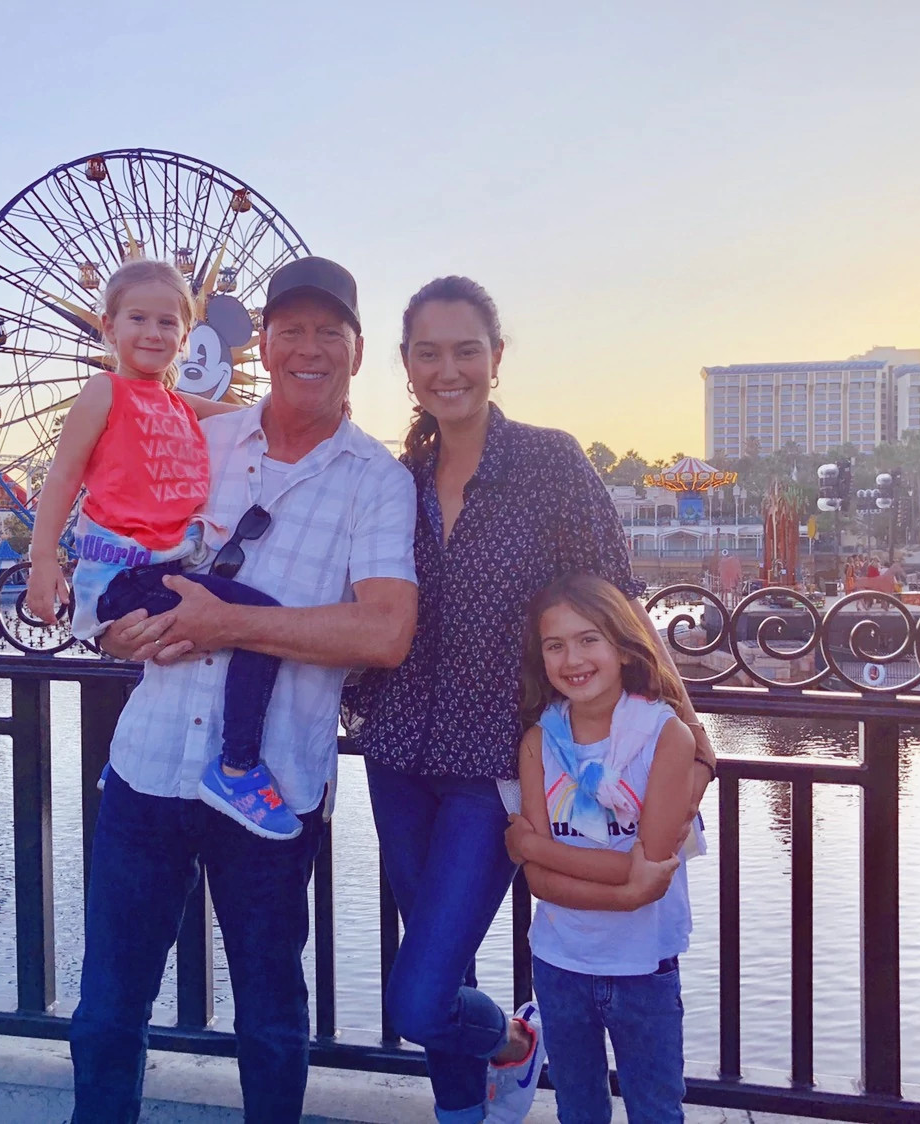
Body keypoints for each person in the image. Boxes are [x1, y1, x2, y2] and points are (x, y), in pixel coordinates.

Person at [344, 276, 717, 1124]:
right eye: (429, 353)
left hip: (498, 764)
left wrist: (687, 727)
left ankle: (514, 1044)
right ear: (406, 367)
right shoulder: (397, 479)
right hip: (398, 752)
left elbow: (617, 605)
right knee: (444, 973)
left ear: (496, 358)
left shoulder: (550, 463)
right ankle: (465, 1109)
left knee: (420, 993)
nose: (449, 370)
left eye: (466, 350)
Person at [69, 255, 418, 1124]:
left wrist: (234, 626)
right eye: (290, 330)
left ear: (358, 350)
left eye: (327, 332)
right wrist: (104, 628)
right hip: (148, 769)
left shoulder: (378, 482)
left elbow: (384, 632)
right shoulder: (196, 436)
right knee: (108, 1008)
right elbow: (105, 535)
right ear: (262, 342)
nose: (308, 348)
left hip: (271, 786)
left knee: (270, 1017)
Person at [23, 259, 300, 839]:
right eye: (138, 318)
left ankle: (131, 767)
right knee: (261, 624)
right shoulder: (104, 392)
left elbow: (240, 415)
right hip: (126, 575)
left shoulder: (175, 404)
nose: (153, 333)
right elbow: (63, 477)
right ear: (108, 326)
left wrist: (293, 418)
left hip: (162, 568)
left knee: (226, 634)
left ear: (186, 334)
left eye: (168, 322)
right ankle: (238, 766)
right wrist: (43, 560)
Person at [505, 573, 701, 1123]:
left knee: (656, 1111)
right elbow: (542, 885)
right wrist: (625, 881)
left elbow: (653, 871)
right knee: (578, 1111)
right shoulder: (538, 741)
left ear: (621, 644)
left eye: (589, 639)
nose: (574, 658)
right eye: (555, 644)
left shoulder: (666, 737)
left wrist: (531, 846)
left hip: (644, 969)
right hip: (559, 963)